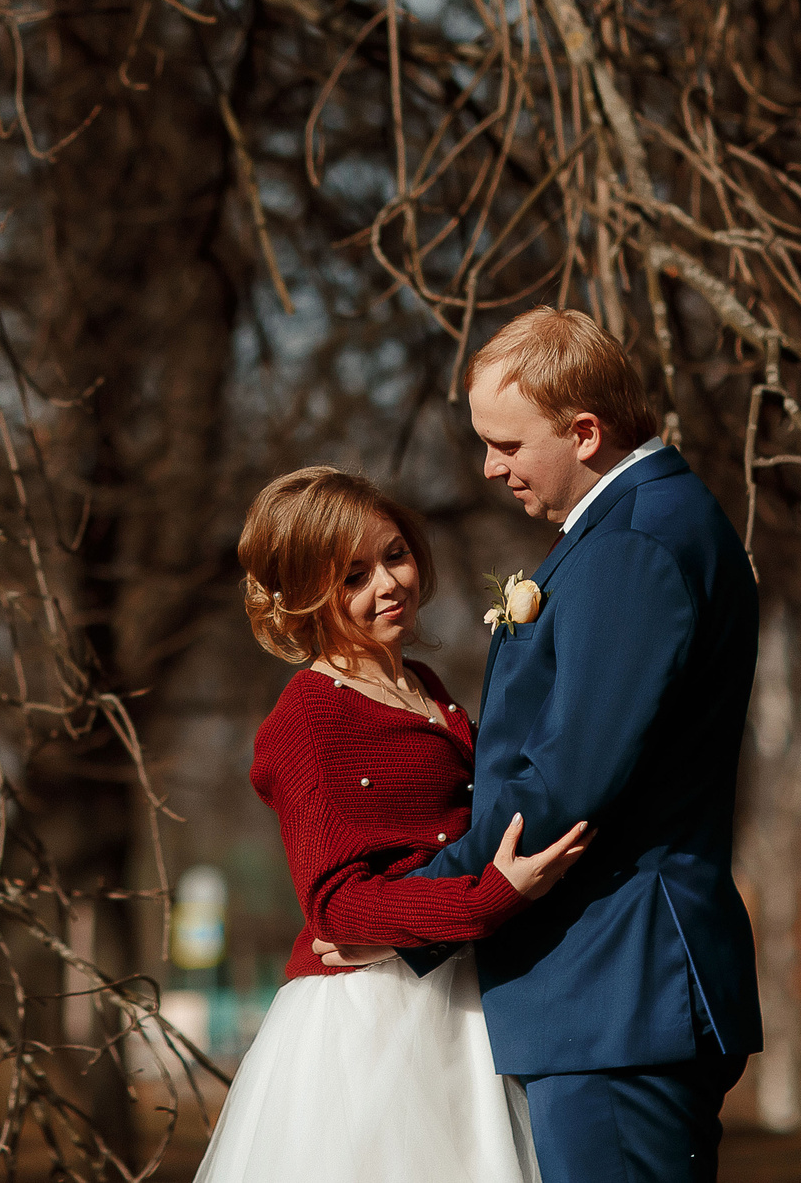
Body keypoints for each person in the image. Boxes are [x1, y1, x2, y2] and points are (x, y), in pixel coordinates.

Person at [317, 308, 762, 1183]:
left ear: (584, 431)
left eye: (508, 443)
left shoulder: (634, 542)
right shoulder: (641, 522)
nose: (490, 466)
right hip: (615, 990)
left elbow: (565, 780)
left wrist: (413, 913)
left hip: (616, 984)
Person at [193, 465, 591, 1183]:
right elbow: (335, 907)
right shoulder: (308, 715)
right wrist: (490, 896)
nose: (388, 583)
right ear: (302, 595)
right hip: (371, 1024)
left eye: (395, 554)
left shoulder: (425, 686)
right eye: (351, 575)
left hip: (461, 996)